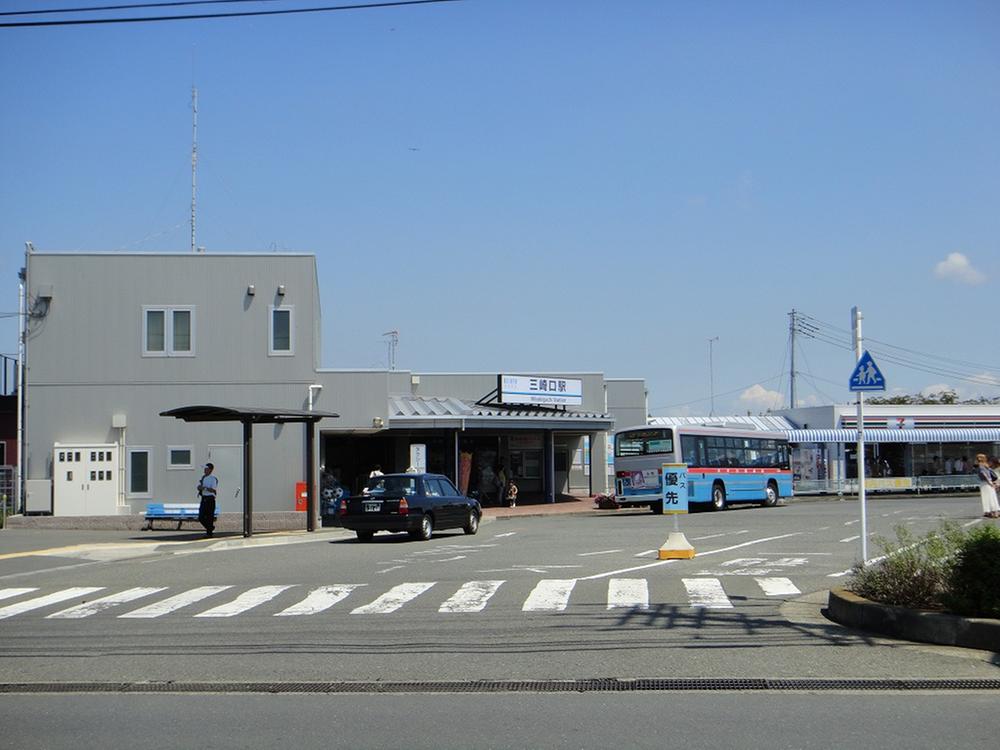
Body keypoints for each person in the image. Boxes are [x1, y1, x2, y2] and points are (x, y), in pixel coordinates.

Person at [197, 462, 219, 538]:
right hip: (204, 498)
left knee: (209, 517)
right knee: (201, 517)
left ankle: (209, 533)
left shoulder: (213, 479)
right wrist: (199, 488)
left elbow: (213, 490)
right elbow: (201, 487)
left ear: (210, 470)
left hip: (210, 499)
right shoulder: (203, 477)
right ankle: (210, 528)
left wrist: (205, 488)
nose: (205, 470)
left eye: (206, 469)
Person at [974, 454, 999, 519]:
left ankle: (990, 512)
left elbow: (983, 474)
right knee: (992, 497)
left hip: (985, 483)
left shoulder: (980, 466)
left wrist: (989, 482)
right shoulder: (986, 465)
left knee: (986, 497)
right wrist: (991, 482)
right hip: (989, 482)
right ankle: (995, 512)